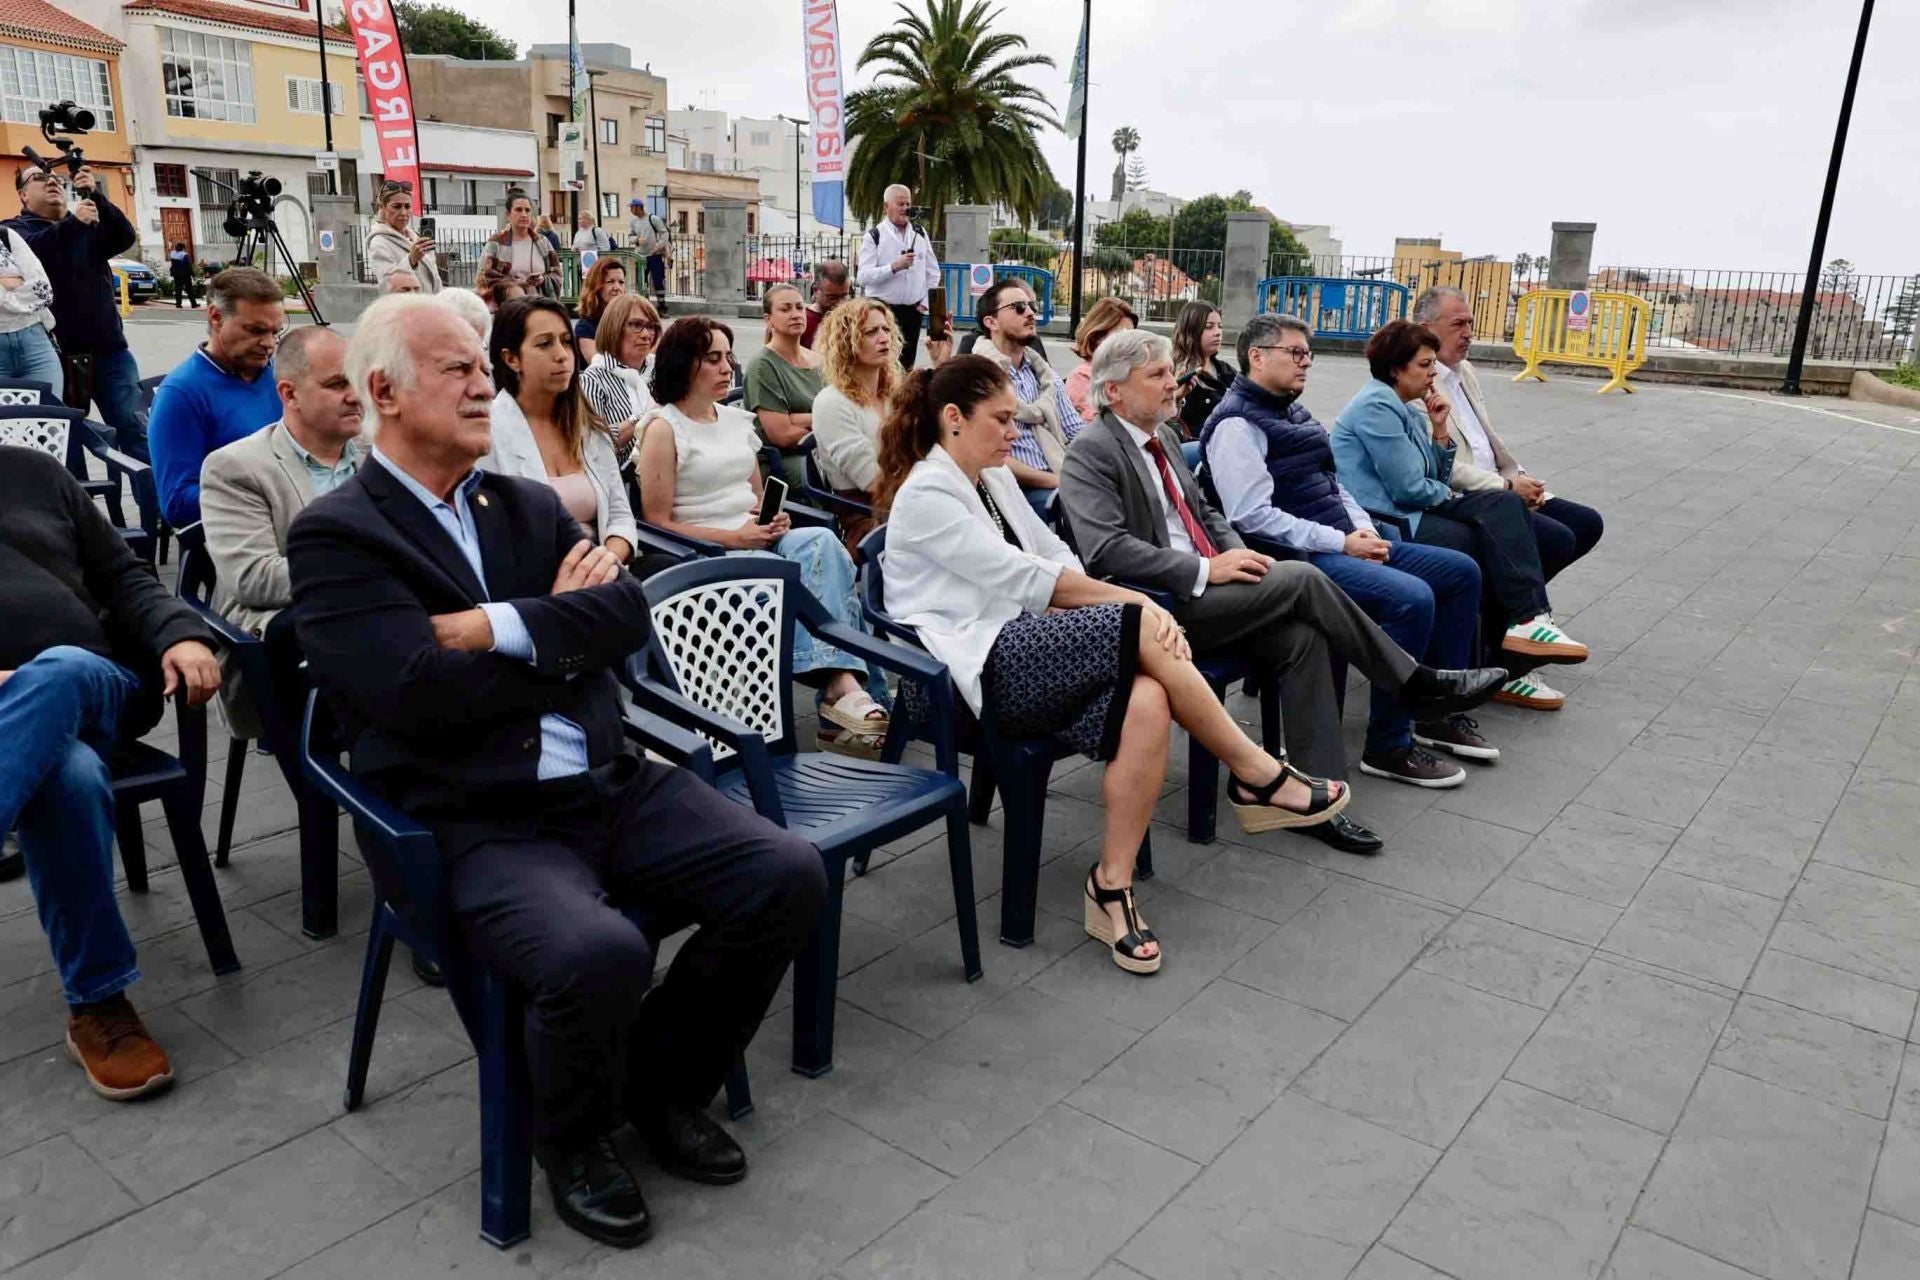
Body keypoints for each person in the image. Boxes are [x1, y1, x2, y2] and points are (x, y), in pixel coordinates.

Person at [287, 295, 824, 1248]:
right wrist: (551, 636)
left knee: (786, 875)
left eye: (477, 365)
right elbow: (411, 693)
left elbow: (622, 618)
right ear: (385, 393)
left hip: (608, 780)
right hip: (479, 817)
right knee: (598, 953)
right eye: (456, 368)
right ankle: (568, 1138)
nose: (482, 381)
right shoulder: (339, 536)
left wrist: (492, 628)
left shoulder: (519, 501)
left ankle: (657, 1089)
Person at [877, 357, 1353, 973]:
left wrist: (1125, 604)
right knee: (1139, 622)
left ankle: (1111, 885)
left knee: (1149, 698)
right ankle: (1257, 773)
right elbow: (1030, 578)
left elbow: (1052, 551)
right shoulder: (928, 493)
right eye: (1000, 420)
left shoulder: (989, 479)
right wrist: (1134, 602)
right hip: (964, 675)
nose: (1012, 433)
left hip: (1025, 647)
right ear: (953, 419)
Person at [1060, 330, 1507, 854]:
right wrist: (1205, 570)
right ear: (1113, 391)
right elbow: (1106, 551)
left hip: (1214, 587)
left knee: (1303, 635)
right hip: (1160, 607)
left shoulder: (1158, 440)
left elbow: (1206, 513)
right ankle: (1412, 682)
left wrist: (1236, 554)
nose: (1172, 386)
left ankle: (1315, 797)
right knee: (1301, 577)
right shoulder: (1091, 452)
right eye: (1157, 375)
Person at [0, 443, 221, 1101]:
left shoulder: (34, 472)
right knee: (66, 779)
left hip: (96, 683)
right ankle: (98, 1004)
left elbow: (126, 575)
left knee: (61, 668)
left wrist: (181, 633)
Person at [1200, 314, 1494, 781]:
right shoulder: (1238, 424)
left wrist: (1364, 532)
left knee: (1460, 572)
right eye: (1295, 353)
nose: (1306, 364)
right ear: (1257, 357)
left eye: (1308, 354)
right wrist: (1342, 541)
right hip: (1299, 558)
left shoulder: (1291, 409)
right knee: (1410, 597)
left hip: (1343, 540)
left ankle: (1434, 713)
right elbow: (1250, 517)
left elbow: (1333, 483)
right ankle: (1388, 745)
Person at [636, 315, 890, 754]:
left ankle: (841, 690)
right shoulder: (664, 428)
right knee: (780, 572)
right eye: (712, 358)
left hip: (755, 537)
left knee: (824, 544)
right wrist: (735, 539)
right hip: (701, 552)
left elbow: (756, 497)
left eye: (727, 356)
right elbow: (656, 521)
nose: (726, 367)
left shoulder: (736, 421)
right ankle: (847, 690)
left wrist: (774, 521)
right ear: (685, 364)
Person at [1330, 319, 1589, 711]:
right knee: (1489, 529)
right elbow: (1409, 488)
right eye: (1424, 365)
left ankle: (1517, 638)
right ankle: (1516, 632)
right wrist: (1450, 494)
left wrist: (1439, 432)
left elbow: (1430, 473)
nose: (1433, 373)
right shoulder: (1377, 406)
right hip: (1391, 521)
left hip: (1414, 508)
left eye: (1433, 364)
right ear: (1396, 368)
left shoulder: (1407, 407)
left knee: (1514, 524)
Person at [1413, 286, 1607, 709]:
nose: (1468, 333)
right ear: (1426, 329)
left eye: (1470, 323)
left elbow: (1485, 441)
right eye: (1458, 324)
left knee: (1585, 522)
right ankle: (1509, 656)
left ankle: (1508, 631)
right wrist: (1504, 488)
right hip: (1467, 495)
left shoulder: (1465, 373)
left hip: (1498, 483)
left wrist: (1518, 476)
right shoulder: (1417, 380)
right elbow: (1440, 466)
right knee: (1555, 538)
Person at [200, 326, 362, 742]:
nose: (356, 395)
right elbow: (254, 578)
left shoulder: (378, 453)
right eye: (337, 384)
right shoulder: (236, 468)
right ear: (289, 395)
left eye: (359, 380)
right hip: (279, 634)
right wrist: (367, 573)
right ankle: (329, 783)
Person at [483, 296, 640, 568]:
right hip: (538, 583)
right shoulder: (489, 434)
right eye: (545, 344)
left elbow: (620, 515)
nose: (562, 355)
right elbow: (494, 539)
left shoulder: (586, 423)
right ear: (511, 359)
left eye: (566, 341)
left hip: (605, 569)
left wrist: (607, 560)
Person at [6, 165, 148, 461]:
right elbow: (36, 252)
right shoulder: (14, 232)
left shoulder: (86, 225)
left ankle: (155, 504)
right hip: (55, 356)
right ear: (22, 194)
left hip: (110, 352)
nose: (51, 182)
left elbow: (123, 237)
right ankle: (78, 505)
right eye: (39, 178)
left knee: (136, 431)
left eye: (56, 178)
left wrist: (96, 195)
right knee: (63, 440)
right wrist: (75, 225)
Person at [148, 267, 287, 529]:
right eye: (256, 330)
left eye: (275, 332)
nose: (269, 344)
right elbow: (176, 503)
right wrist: (269, 492)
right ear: (216, 316)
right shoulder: (181, 395)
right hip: (235, 542)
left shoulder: (279, 375)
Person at [973, 277, 1084, 515]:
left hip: (1061, 476)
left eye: (1032, 307)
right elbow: (986, 456)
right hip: (1016, 490)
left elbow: (1077, 433)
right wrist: (1057, 481)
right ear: (991, 321)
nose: (1030, 314)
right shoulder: (979, 375)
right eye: (1019, 308)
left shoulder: (1043, 373)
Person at [811, 299, 903, 550]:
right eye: (871, 332)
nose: (883, 338)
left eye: (886, 329)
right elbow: (873, 482)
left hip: (903, 500)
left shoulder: (895, 394)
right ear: (847, 343)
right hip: (864, 515)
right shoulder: (831, 403)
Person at [743, 282, 823, 490]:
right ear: (768, 320)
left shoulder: (819, 360)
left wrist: (800, 418)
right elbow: (782, 435)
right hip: (784, 462)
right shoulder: (763, 365)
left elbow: (843, 410)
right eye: (785, 309)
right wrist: (828, 425)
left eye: (799, 307)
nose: (796, 314)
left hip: (822, 449)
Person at [855, 183, 939, 366]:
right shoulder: (874, 236)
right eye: (900, 204)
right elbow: (863, 276)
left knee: (906, 364)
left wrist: (924, 304)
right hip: (882, 312)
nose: (905, 209)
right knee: (883, 364)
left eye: (908, 204)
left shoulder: (919, 233)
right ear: (886, 207)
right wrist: (893, 267)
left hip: (913, 313)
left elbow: (933, 272)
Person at [580, 293, 661, 476]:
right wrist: (645, 417)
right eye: (636, 325)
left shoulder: (661, 370)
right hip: (620, 483)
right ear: (614, 328)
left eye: (651, 327)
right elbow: (594, 446)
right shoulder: (594, 380)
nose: (646, 334)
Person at [0, 215, 59, 391]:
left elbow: (43, 292)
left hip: (36, 347)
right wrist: (10, 283)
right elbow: (24, 289)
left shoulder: (5, 236)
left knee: (49, 414)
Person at [1063, 297, 1137, 423]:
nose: (1128, 344)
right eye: (1121, 336)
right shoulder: (1081, 377)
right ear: (1097, 337)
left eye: (1131, 337)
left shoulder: (1132, 371)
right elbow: (1094, 425)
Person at [363, 180, 441, 295]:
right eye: (396, 206)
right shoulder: (379, 242)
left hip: (431, 306)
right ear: (382, 207)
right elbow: (387, 285)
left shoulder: (416, 238)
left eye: (407, 206)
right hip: (406, 309)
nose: (403, 212)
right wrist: (411, 261)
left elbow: (435, 279)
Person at [1171, 302, 1234, 441]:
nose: (1218, 332)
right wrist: (1176, 397)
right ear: (1190, 330)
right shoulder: (1173, 371)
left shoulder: (1226, 370)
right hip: (1195, 446)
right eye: (1209, 327)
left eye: (1220, 326)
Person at [479, 194, 560, 301]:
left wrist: (543, 280)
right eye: (518, 210)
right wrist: (515, 284)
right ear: (508, 215)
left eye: (527, 210)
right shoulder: (496, 243)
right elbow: (483, 277)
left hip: (540, 306)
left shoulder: (543, 242)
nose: (524, 214)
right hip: (509, 308)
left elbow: (557, 273)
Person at [574, 256, 626, 361]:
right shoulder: (585, 328)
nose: (617, 288)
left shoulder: (628, 322)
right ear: (596, 286)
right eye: (610, 282)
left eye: (621, 282)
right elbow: (598, 365)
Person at [628, 197, 672, 312]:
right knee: (642, 283)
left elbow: (664, 233)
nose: (631, 210)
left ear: (639, 208)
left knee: (658, 281)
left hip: (655, 255)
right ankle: (645, 307)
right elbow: (630, 237)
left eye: (632, 207)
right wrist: (637, 240)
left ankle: (662, 306)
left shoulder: (653, 219)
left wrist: (658, 245)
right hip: (640, 256)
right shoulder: (633, 222)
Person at [801, 259, 851, 349]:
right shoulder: (802, 322)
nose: (840, 304)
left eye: (844, 296)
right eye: (832, 298)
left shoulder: (854, 319)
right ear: (816, 291)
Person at [167, 242, 197, 309]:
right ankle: (193, 304)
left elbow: (172, 263)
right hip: (185, 274)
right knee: (189, 289)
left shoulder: (172, 253)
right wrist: (193, 274)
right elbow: (188, 266)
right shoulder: (184, 255)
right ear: (183, 248)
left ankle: (178, 304)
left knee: (178, 288)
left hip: (176, 274)